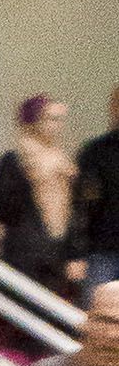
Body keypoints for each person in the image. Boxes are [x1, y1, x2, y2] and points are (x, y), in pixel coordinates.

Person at [0, 95, 88, 306]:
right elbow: (2, 209)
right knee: (24, 312)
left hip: (57, 252)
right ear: (34, 120)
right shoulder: (13, 161)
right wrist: (34, 177)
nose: (57, 126)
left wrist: (75, 253)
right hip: (24, 254)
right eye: (50, 119)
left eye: (60, 119)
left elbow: (75, 212)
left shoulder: (65, 163)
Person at [72, 85, 119, 296]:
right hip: (102, 251)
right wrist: (77, 253)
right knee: (96, 313)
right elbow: (81, 206)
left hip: (102, 251)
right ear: (113, 108)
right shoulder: (95, 152)